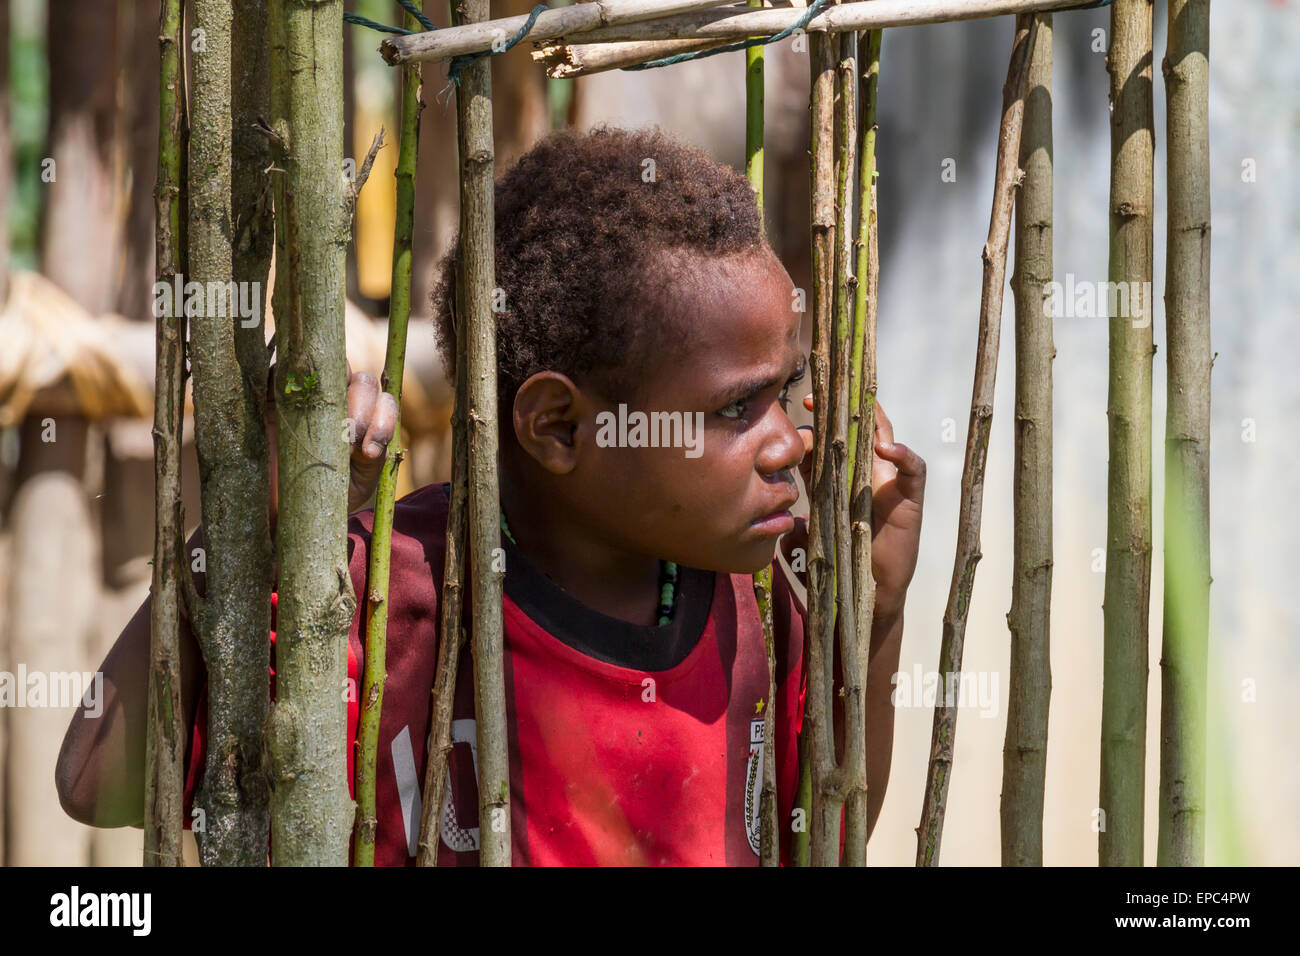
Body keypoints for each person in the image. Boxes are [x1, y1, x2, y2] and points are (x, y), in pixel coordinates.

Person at [56, 124, 925, 866]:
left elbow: (822, 835)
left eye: (785, 391)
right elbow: (99, 779)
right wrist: (254, 522)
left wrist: (875, 625)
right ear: (558, 427)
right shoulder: (374, 597)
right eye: (735, 408)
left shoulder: (757, 613)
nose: (788, 443)